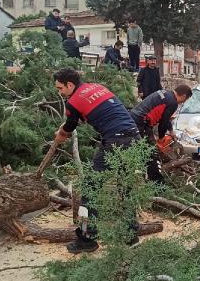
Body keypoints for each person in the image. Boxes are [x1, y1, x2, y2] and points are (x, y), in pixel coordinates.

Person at [52, 68, 141, 254]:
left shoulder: (73, 101)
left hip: (114, 140)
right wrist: (68, 125)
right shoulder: (97, 87)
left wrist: (61, 135)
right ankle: (130, 236)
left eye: (60, 88)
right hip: (134, 136)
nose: (59, 92)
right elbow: (96, 113)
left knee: (90, 190)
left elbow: (69, 127)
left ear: (70, 85)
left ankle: (87, 239)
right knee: (126, 188)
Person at [130, 85, 192, 182]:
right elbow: (163, 124)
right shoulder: (173, 103)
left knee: (142, 149)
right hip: (141, 122)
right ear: (184, 96)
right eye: (185, 100)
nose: (182, 102)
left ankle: (143, 174)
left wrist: (171, 131)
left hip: (135, 118)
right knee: (152, 153)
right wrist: (161, 139)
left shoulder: (165, 93)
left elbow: (166, 118)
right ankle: (157, 183)